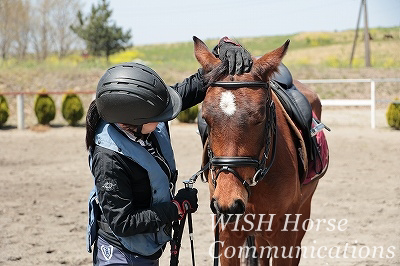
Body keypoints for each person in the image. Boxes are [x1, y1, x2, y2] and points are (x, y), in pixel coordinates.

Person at [85, 37, 252, 266]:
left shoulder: (147, 110)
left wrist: (223, 50)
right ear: (133, 122)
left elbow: (196, 85)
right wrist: (175, 208)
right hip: (120, 257)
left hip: (147, 251)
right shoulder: (108, 160)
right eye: (159, 117)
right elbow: (124, 222)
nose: (166, 118)